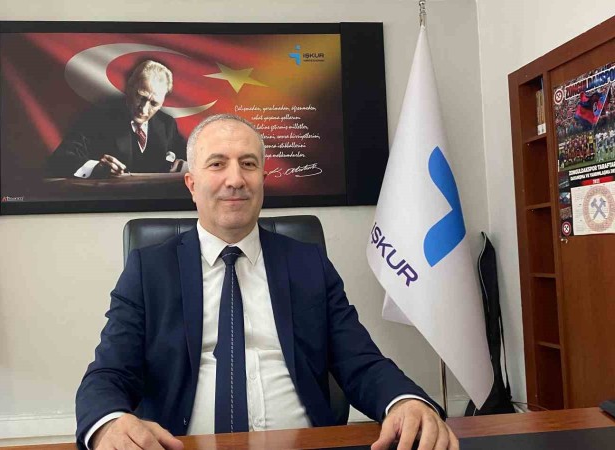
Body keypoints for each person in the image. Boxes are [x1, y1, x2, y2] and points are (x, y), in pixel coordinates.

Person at [75, 114, 460, 450]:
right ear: (191, 183)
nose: (235, 179)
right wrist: (109, 422)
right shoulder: (149, 270)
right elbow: (109, 373)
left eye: (248, 164)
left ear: (262, 178)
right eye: (217, 164)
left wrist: (405, 401)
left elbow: (360, 361)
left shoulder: (308, 263)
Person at [46, 60, 186, 178]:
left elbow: (190, 157)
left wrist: (185, 165)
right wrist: (96, 168)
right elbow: (59, 160)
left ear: (162, 102)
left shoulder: (166, 124)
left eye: (154, 103)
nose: (143, 109)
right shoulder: (97, 118)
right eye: (141, 97)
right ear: (129, 87)